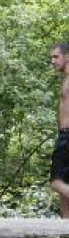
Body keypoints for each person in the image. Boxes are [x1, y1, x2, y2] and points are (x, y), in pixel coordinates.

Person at [49, 43, 69, 218]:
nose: (52, 61)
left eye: (56, 57)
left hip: (67, 136)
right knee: (64, 184)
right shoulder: (66, 79)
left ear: (67, 57)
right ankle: (66, 232)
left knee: (56, 182)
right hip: (64, 135)